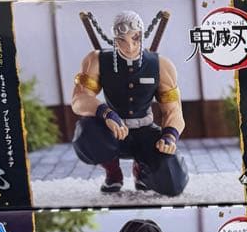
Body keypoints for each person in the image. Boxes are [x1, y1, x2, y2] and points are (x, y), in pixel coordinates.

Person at [71, 10, 189, 196]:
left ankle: (142, 170)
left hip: (145, 131)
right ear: (114, 39)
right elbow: (78, 100)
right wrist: (105, 113)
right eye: (122, 40)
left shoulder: (162, 65)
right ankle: (113, 173)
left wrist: (170, 136)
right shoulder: (96, 60)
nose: (130, 46)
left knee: (173, 181)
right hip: (112, 131)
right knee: (86, 133)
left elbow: (173, 110)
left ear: (142, 34)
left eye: (135, 38)